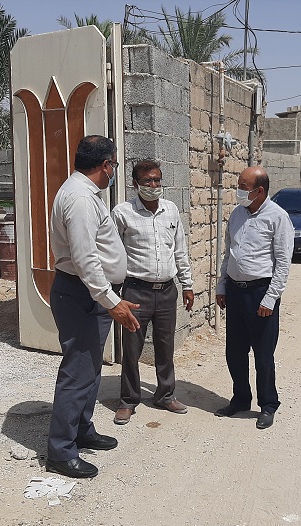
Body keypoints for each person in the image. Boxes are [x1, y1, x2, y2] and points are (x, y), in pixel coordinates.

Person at [46, 135, 141, 479]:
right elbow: (85, 258)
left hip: (90, 294)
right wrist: (111, 300)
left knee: (90, 368)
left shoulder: (85, 193)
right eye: (113, 165)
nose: (113, 171)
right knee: (78, 371)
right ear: (105, 165)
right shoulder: (81, 199)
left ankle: (81, 429)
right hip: (82, 294)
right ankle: (61, 450)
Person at [110, 159, 194, 424]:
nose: (154, 185)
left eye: (157, 180)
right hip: (136, 292)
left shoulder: (171, 210)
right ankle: (128, 400)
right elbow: (112, 253)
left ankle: (165, 395)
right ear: (135, 183)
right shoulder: (122, 213)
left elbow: (180, 250)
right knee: (132, 348)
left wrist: (187, 284)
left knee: (165, 347)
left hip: (167, 291)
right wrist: (113, 293)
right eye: (147, 181)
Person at [215, 166, 294, 429]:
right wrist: (222, 286)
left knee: (263, 355)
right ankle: (240, 399)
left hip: (261, 293)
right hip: (236, 292)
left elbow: (283, 263)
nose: (238, 190)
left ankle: (268, 405)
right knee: (234, 352)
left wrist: (270, 299)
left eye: (243, 187)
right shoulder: (237, 214)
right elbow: (229, 253)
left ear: (259, 191)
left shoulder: (278, 217)